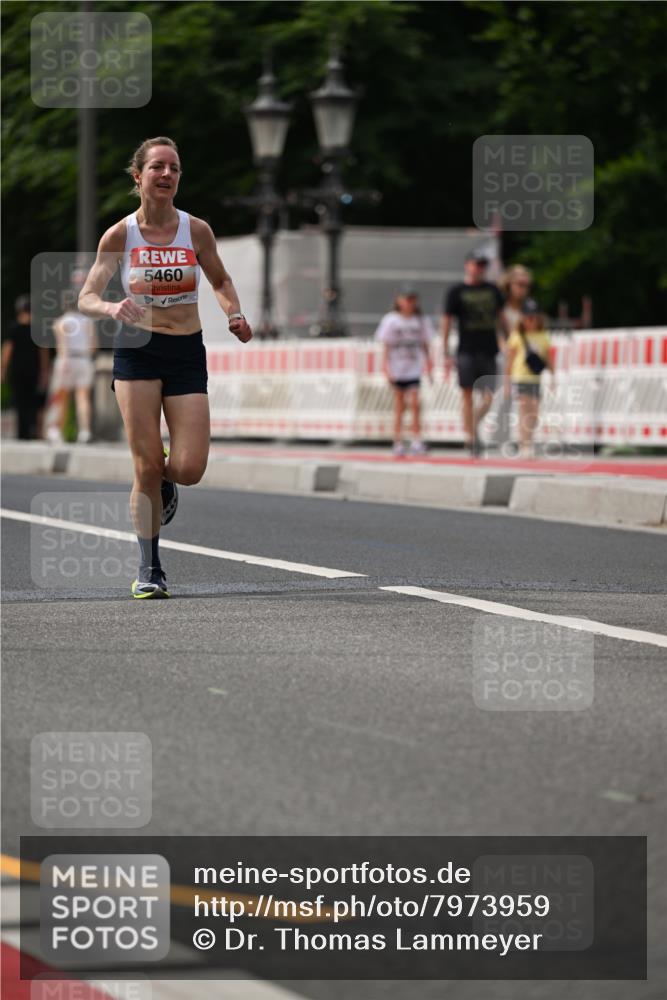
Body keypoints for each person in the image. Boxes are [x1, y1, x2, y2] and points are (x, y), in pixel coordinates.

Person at [78, 136, 252, 599]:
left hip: (185, 351)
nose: (167, 175)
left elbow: (220, 279)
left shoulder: (195, 231)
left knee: (189, 467)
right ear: (139, 177)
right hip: (136, 350)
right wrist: (112, 308)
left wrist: (232, 311)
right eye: (157, 167)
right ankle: (149, 568)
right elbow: (87, 296)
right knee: (145, 463)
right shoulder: (120, 235)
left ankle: (165, 485)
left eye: (174, 168)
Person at [441, 249, 507, 456]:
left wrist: (508, 338)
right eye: (475, 264)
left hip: (488, 349)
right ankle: (470, 437)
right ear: (467, 265)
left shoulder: (493, 290)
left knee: (488, 396)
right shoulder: (456, 291)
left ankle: (473, 423)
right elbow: (446, 320)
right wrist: (445, 350)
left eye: (482, 265)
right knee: (467, 394)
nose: (479, 269)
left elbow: (501, 317)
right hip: (466, 350)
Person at [375, 285, 434, 456]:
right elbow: (385, 345)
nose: (409, 303)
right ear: (399, 301)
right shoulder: (392, 320)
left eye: (412, 300)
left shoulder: (420, 320)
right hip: (397, 366)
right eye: (406, 299)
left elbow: (425, 344)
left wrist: (429, 365)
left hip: (413, 366)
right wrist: (386, 368)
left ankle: (416, 440)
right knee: (399, 405)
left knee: (415, 403)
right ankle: (398, 441)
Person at [45, 290, 96, 444]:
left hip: (67, 360)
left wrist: (65, 360)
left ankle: (56, 431)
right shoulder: (88, 322)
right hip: (84, 359)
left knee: (62, 397)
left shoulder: (60, 322)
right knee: (83, 398)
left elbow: (62, 344)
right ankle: (85, 432)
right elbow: (94, 346)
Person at [504, 298, 553, 458]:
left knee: (534, 412)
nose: (531, 320)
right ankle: (525, 444)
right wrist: (506, 381)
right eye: (528, 317)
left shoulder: (543, 336)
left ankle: (529, 441)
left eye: (534, 317)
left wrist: (553, 376)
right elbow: (509, 361)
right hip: (520, 377)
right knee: (524, 410)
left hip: (535, 378)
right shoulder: (517, 336)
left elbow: (549, 358)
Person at [1, 295, 50, 439]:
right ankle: (32, 429)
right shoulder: (38, 329)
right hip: (33, 370)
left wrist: (2, 369)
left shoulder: (13, 328)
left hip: (17, 371)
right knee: (33, 401)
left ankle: (21, 432)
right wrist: (45, 371)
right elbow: (44, 352)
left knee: (20, 401)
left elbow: (7, 351)